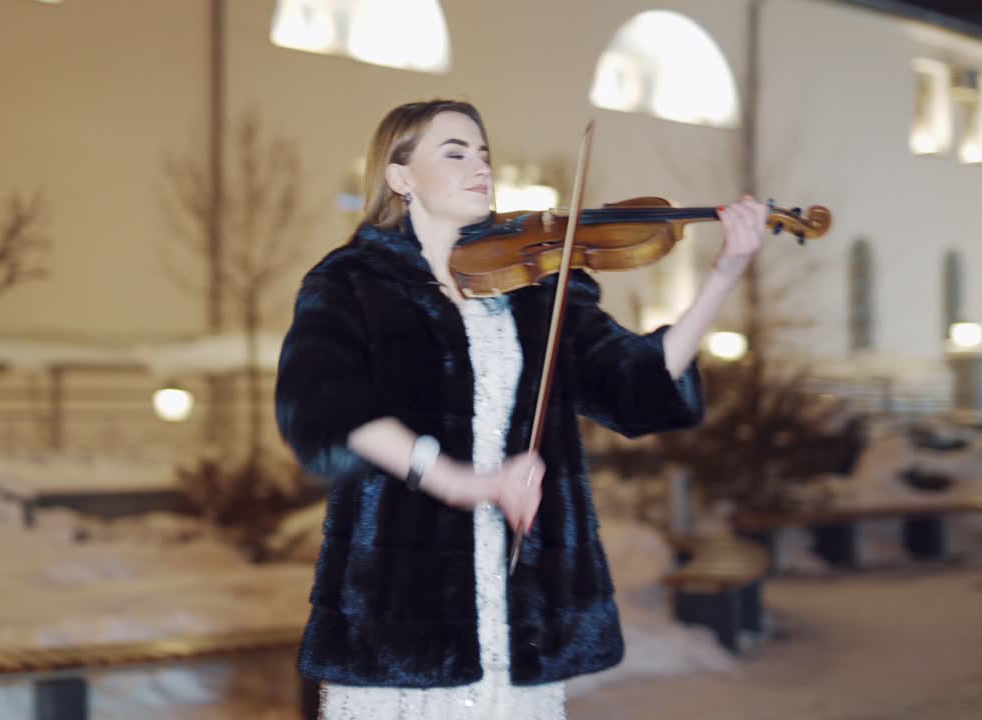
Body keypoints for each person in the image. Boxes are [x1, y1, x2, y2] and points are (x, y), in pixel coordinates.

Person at [274, 99, 767, 719]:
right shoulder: (351, 283)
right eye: (455, 153)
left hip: (524, 591)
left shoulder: (535, 286)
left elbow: (634, 383)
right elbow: (320, 406)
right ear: (400, 177)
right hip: (406, 591)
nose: (481, 166)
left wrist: (724, 275)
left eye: (483, 153)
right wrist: (458, 481)